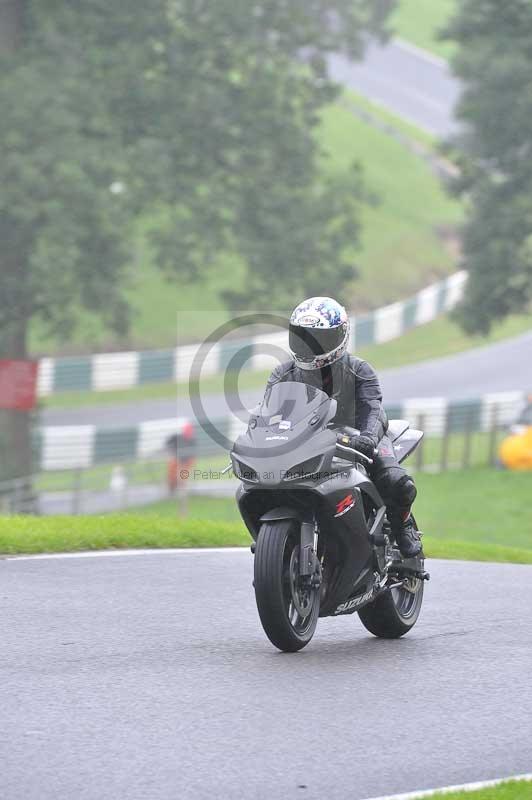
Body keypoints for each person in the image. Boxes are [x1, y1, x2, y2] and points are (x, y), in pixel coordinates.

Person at [264, 296, 422, 558]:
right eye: (303, 337)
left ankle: (402, 524)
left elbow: (372, 407)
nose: (311, 346)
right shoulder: (282, 374)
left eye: (319, 338)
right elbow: (270, 413)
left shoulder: (359, 370)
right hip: (309, 438)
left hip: (358, 434)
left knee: (396, 482)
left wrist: (368, 438)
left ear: (340, 336)